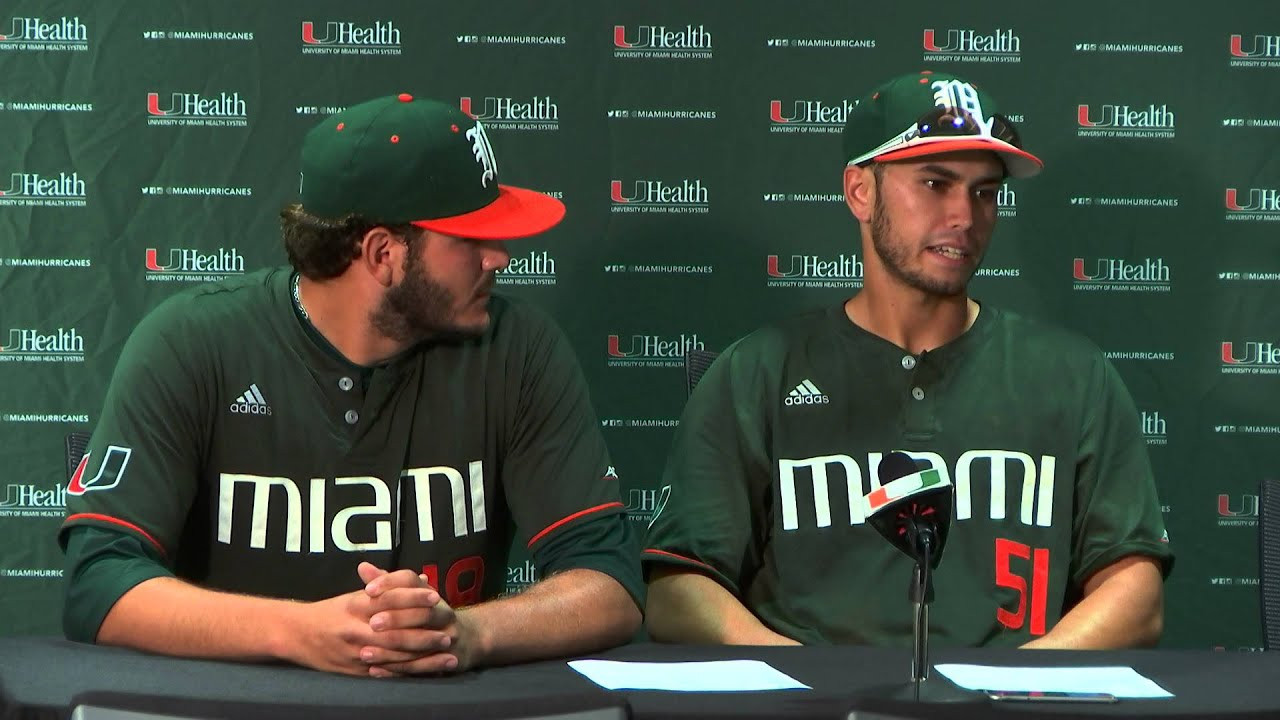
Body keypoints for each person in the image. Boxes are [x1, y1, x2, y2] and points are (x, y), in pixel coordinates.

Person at [59, 93, 642, 676]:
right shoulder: (193, 344)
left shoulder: (518, 350)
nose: (500, 257)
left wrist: (469, 633)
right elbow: (100, 583)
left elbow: (610, 583)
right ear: (383, 254)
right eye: (470, 238)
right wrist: (299, 631)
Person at [642, 71, 1172, 649]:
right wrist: (813, 686)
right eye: (934, 183)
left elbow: (1135, 594)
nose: (964, 217)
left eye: (985, 191)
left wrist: (1013, 689)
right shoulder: (758, 372)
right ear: (860, 191)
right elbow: (676, 589)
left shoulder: (1073, 375)